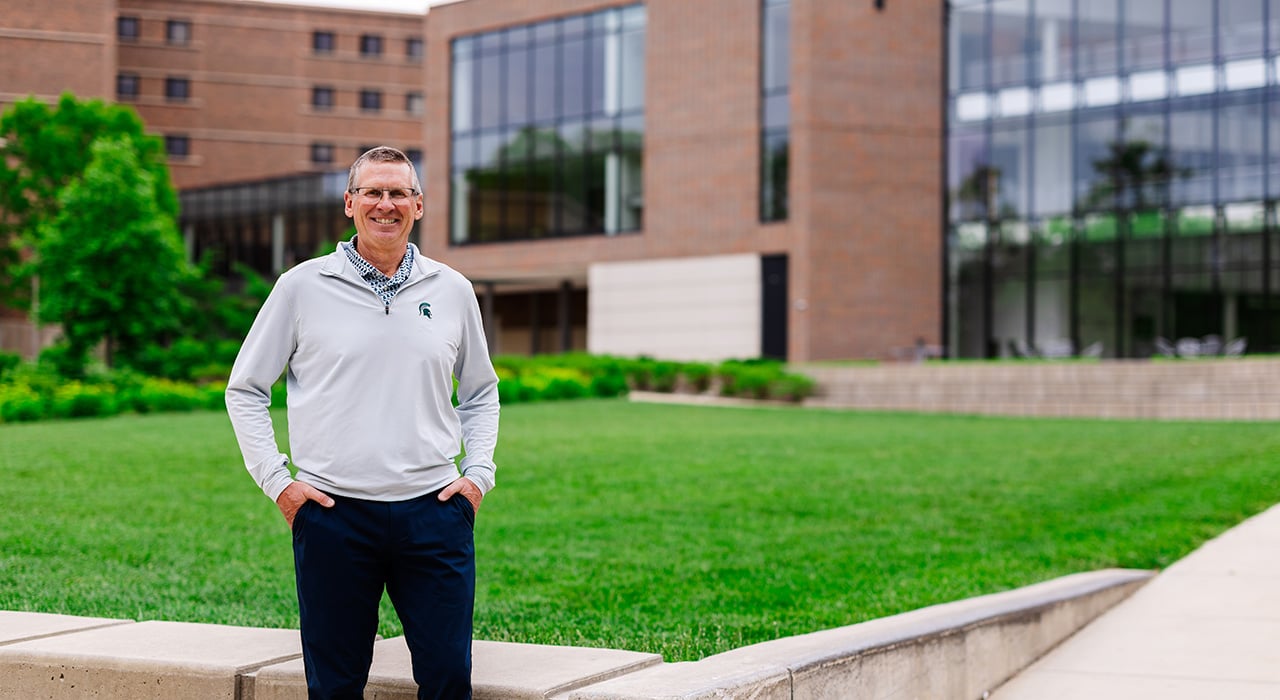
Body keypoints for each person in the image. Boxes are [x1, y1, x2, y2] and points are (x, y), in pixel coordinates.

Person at [225, 146, 500, 700]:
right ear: (350, 203)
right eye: (372, 192)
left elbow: (480, 391)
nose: (385, 204)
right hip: (332, 515)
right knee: (335, 686)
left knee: (449, 678)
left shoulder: (452, 289)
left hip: (435, 512)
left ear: (418, 205)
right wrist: (279, 483)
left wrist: (478, 475)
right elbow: (245, 389)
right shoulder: (301, 287)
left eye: (399, 193)